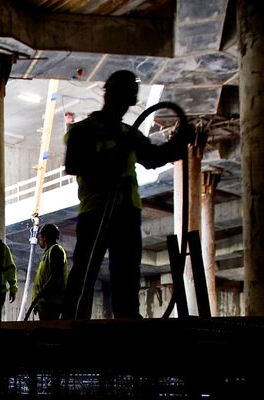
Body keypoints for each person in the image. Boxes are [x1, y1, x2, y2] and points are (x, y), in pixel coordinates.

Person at [60, 69, 191, 319]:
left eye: (128, 98)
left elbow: (153, 158)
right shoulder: (83, 131)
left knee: (127, 273)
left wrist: (178, 145)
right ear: (109, 94)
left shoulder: (127, 134)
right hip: (96, 211)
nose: (124, 103)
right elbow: (73, 164)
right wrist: (110, 160)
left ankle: (127, 323)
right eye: (122, 95)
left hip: (127, 212)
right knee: (85, 271)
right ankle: (72, 323)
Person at [31, 223, 67, 320]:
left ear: (44, 236)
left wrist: (42, 292)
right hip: (45, 302)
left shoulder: (55, 250)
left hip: (51, 302)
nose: (39, 240)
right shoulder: (48, 252)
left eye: (40, 237)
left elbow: (55, 275)